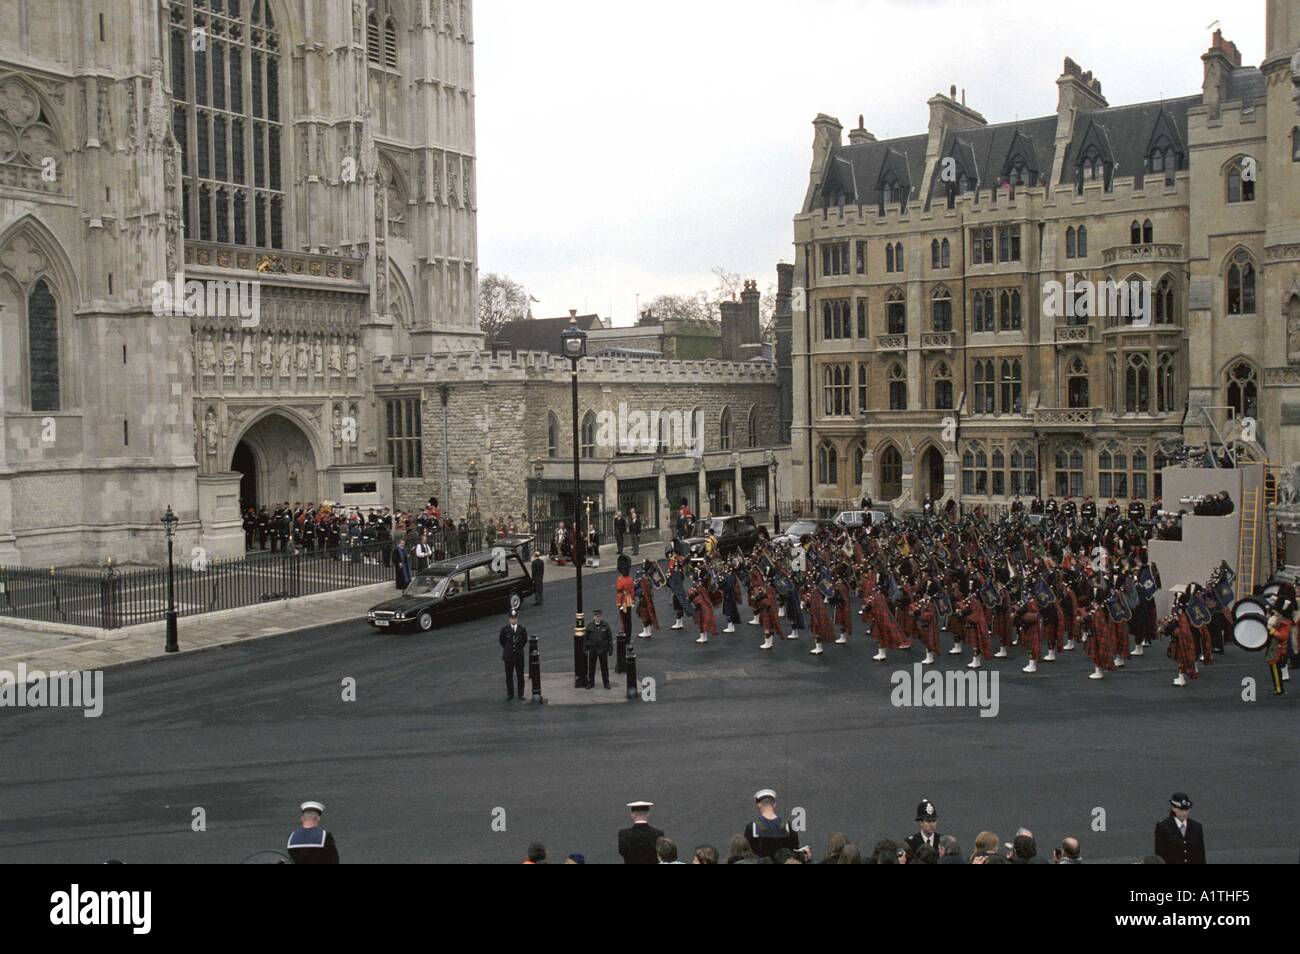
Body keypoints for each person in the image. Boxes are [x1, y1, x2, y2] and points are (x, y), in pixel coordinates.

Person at [744, 789, 807, 860]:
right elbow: (795, 851)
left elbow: (747, 854)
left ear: (759, 805)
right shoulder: (787, 827)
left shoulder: (752, 828)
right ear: (774, 804)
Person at [1153, 792, 1205, 864]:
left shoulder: (1196, 827)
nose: (1184, 813)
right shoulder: (1163, 827)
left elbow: (1200, 855)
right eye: (1180, 809)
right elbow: (1160, 856)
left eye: (1186, 810)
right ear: (1173, 808)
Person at [499, 609, 528, 701]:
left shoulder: (522, 629)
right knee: (509, 676)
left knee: (520, 675)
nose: (513, 620)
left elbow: (524, 640)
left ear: (517, 619)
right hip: (509, 656)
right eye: (512, 618)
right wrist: (509, 648)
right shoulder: (505, 630)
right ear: (509, 619)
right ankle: (510, 693)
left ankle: (521, 693)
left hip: (519, 655)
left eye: (515, 618)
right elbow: (502, 641)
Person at [585, 608, 613, 690]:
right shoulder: (590, 626)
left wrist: (610, 649)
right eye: (597, 616)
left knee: (604, 667)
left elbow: (609, 638)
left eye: (599, 616)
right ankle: (591, 682)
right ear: (594, 617)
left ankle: (606, 683)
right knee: (591, 667)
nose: (598, 618)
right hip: (593, 649)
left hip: (603, 649)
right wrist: (585, 649)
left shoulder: (605, 625)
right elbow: (586, 639)